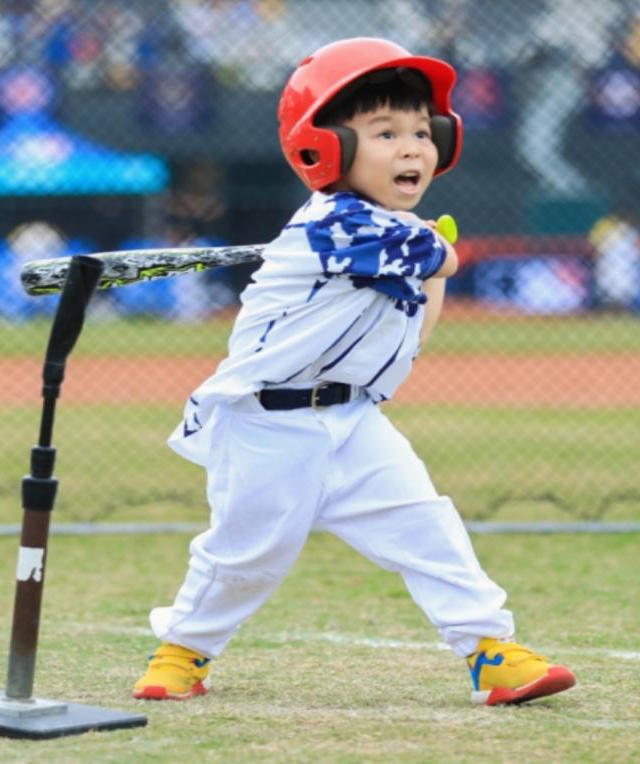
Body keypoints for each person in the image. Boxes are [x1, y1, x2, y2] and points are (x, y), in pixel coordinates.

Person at [132, 38, 576, 706]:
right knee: (246, 556)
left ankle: (491, 651)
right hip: (267, 422)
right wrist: (434, 248)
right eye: (385, 133)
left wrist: (429, 257)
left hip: (353, 419)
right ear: (326, 147)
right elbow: (445, 258)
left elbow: (417, 332)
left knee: (428, 528)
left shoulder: (386, 236)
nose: (412, 148)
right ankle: (182, 652)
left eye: (422, 132)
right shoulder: (341, 224)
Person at [588, 206, 640, 310]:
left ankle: (619, 308)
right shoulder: (605, 225)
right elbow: (594, 247)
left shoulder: (630, 228)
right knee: (611, 289)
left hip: (625, 264)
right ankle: (610, 308)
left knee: (622, 290)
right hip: (610, 262)